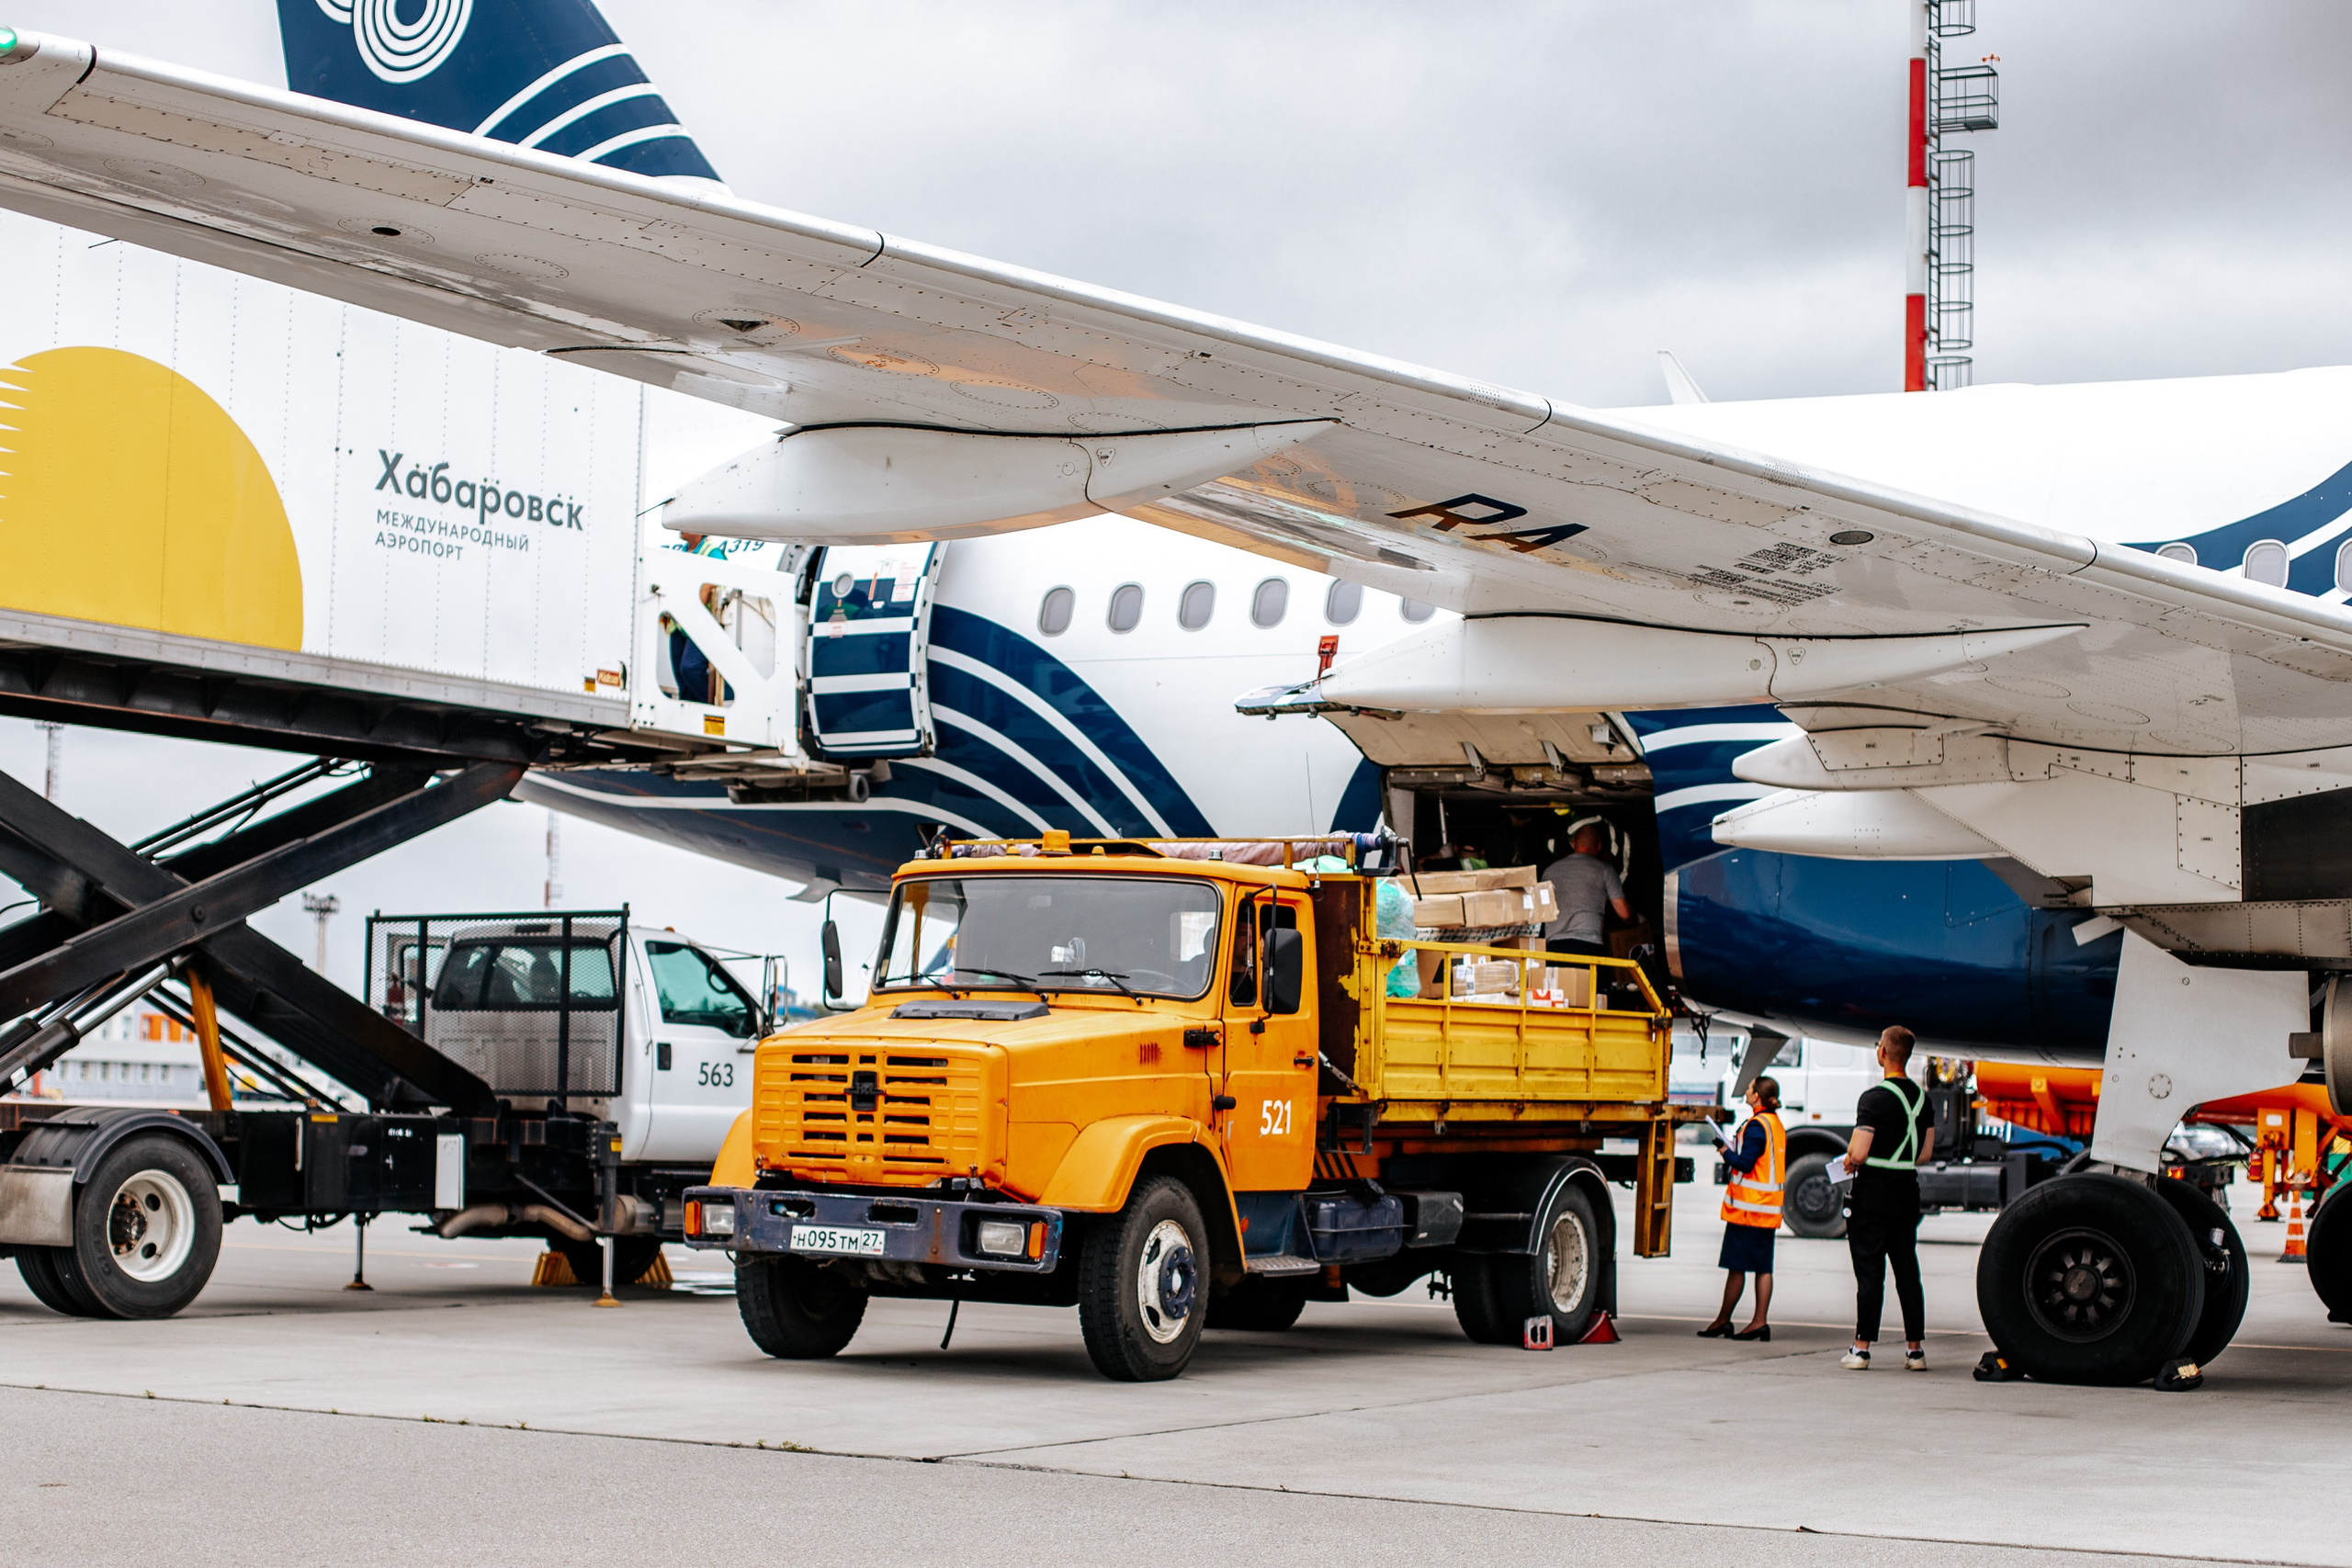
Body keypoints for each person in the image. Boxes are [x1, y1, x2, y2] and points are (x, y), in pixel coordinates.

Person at [1840, 1024, 1934, 1371]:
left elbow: (1860, 1152)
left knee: (1870, 1272)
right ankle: (1915, 1351)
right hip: (1906, 1192)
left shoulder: (1873, 1099)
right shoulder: (1924, 1100)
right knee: (1908, 1271)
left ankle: (1861, 1349)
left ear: (1883, 1053)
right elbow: (1924, 1154)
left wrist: (1851, 1158)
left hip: (1873, 1194)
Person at [1699, 1075, 1784, 1341]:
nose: (1746, 1092)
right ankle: (1753, 1321)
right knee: (1762, 1267)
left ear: (1757, 1096)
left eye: (1749, 1089)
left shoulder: (1758, 1125)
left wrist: (1724, 1150)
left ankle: (1729, 1320)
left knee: (1737, 1266)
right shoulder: (1774, 1124)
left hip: (1750, 1210)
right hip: (1766, 1209)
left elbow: (1746, 1164)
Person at [1542, 822, 1633, 959]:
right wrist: (1635, 921)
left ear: (1574, 843)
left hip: (1554, 947)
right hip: (1588, 946)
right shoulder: (1605, 870)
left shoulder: (1550, 870)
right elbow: (1625, 914)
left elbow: (1541, 911)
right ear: (1599, 846)